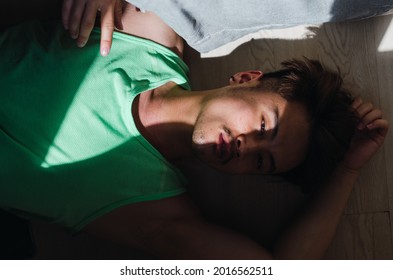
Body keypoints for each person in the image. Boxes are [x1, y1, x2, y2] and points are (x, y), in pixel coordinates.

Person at [0, 0, 389, 259]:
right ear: (245, 78)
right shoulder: (147, 33)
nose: (245, 148)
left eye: (260, 163)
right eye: (263, 126)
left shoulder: (154, 211)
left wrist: (348, 170)